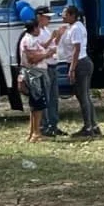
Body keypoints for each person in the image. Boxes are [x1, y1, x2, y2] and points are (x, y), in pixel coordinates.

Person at [58, 5, 99, 138]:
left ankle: (88, 127)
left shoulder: (76, 28)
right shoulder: (72, 27)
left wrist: (72, 68)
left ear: (72, 15)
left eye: (65, 14)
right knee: (84, 95)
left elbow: (77, 49)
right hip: (80, 63)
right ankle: (94, 126)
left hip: (80, 63)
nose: (62, 16)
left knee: (83, 96)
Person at [18, 19, 54, 143]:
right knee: (38, 104)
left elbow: (40, 50)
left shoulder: (32, 39)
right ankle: (36, 133)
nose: (39, 30)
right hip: (35, 74)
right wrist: (47, 54)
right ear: (34, 29)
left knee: (35, 105)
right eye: (38, 28)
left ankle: (33, 132)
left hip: (36, 73)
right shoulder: (28, 41)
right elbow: (32, 59)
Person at [35, 8, 65, 137]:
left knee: (53, 98)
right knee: (45, 97)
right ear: (39, 17)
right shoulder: (37, 32)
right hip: (44, 66)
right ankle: (44, 126)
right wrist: (52, 38)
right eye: (47, 17)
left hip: (53, 65)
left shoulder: (46, 30)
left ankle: (53, 125)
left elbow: (53, 45)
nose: (49, 19)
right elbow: (40, 48)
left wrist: (58, 36)